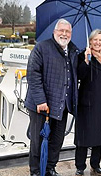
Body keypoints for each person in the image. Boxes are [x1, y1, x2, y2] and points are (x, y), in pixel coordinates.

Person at [25, 18, 79, 176]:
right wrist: (41, 100)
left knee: (57, 140)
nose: (64, 34)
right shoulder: (41, 47)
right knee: (38, 141)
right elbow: (33, 75)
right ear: (54, 32)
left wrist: (87, 60)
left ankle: (50, 168)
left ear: (71, 33)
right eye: (61, 30)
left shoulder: (74, 51)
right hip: (42, 105)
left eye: (67, 31)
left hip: (63, 105)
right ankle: (35, 171)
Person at [74, 29, 101, 176]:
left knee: (98, 136)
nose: (97, 42)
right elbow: (79, 75)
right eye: (95, 40)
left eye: (100, 40)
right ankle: (80, 166)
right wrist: (86, 61)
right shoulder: (83, 55)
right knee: (82, 136)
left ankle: (96, 164)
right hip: (85, 102)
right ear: (90, 41)